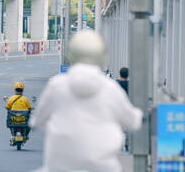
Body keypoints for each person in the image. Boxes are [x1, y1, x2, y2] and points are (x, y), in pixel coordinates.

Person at [30, 30, 142, 172]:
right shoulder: (110, 87)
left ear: (72, 55)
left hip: (60, 165)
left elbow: (39, 119)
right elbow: (132, 121)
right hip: (103, 166)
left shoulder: (57, 85)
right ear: (102, 57)